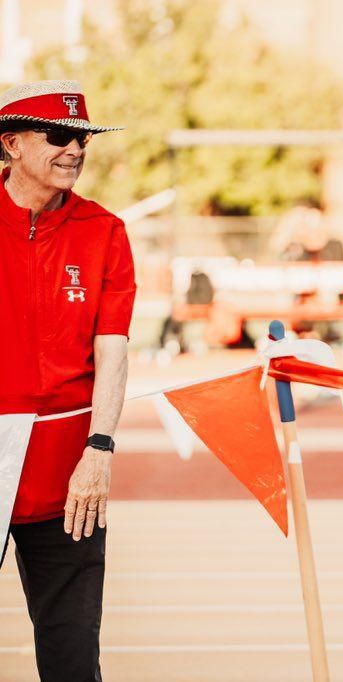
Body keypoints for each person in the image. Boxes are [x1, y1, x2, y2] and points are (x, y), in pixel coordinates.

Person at [0, 80, 135, 681]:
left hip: (67, 468)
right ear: (11, 145)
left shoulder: (105, 230)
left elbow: (114, 351)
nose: (74, 149)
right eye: (58, 136)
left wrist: (100, 448)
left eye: (81, 138)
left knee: (73, 654)